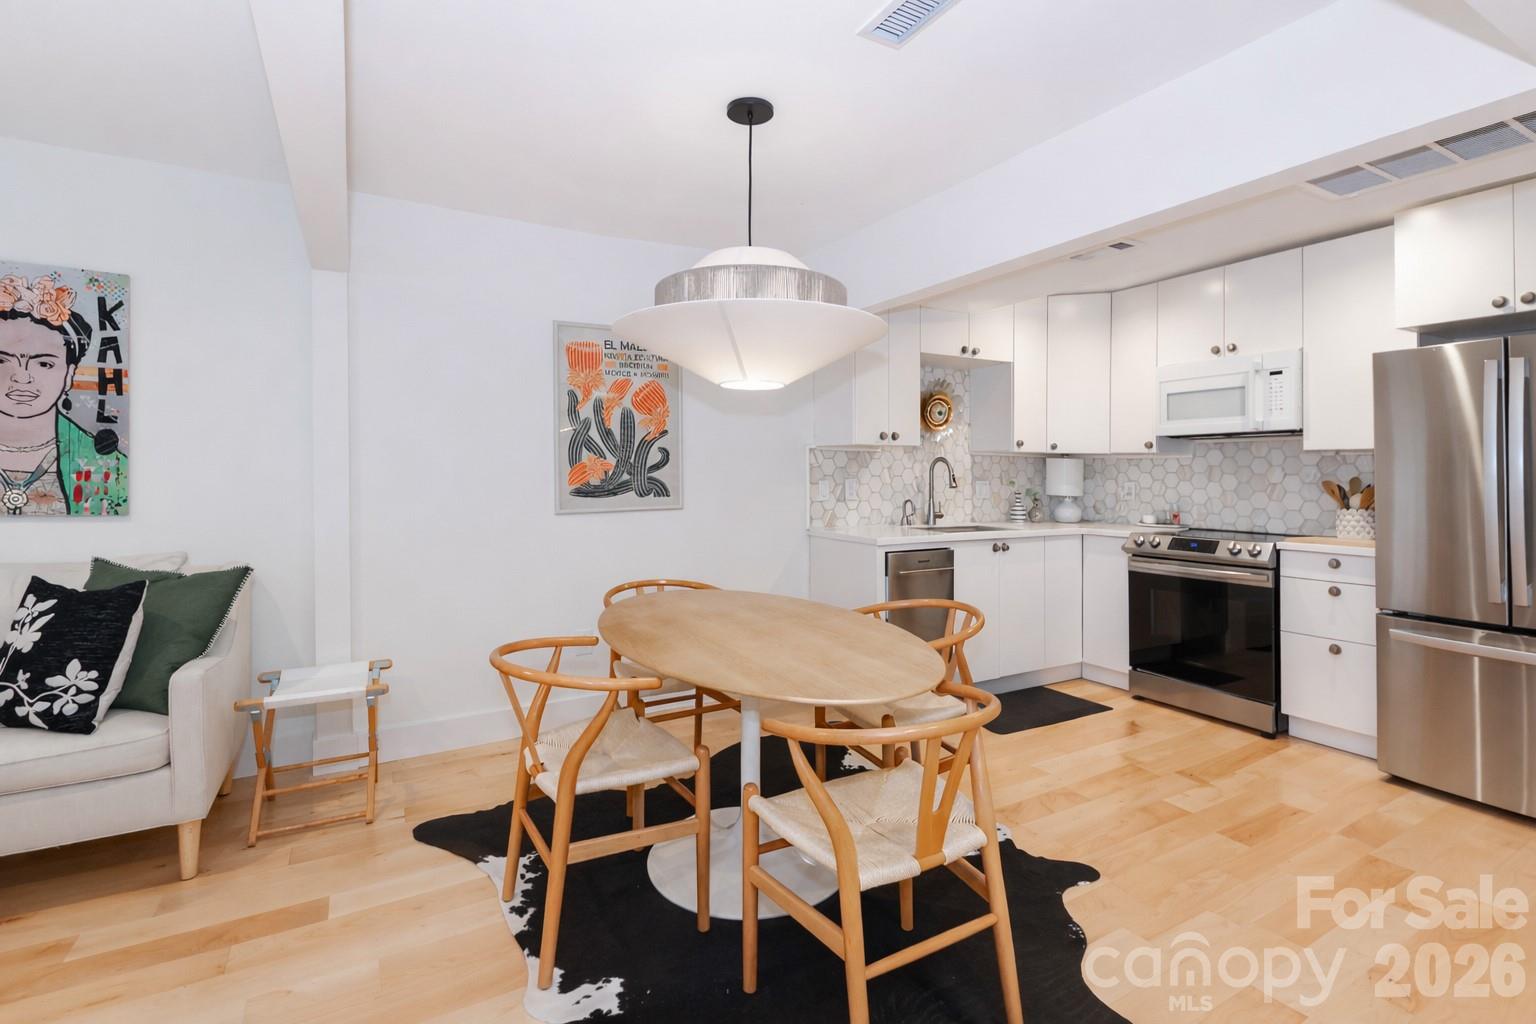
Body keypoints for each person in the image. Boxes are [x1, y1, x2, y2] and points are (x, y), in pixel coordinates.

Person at [0, 274, 126, 515]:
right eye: (2, 360)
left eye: (44, 364)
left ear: (69, 375)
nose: (22, 377)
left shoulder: (106, 464)